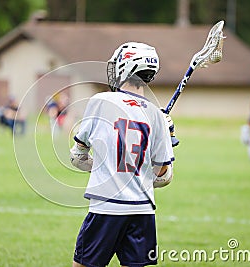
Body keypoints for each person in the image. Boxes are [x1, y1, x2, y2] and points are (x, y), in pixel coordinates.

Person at [70, 42, 175, 267]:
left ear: (126, 67)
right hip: (143, 211)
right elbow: (164, 176)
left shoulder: (100, 101)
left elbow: (77, 156)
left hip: (106, 208)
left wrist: (104, 165)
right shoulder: (156, 115)